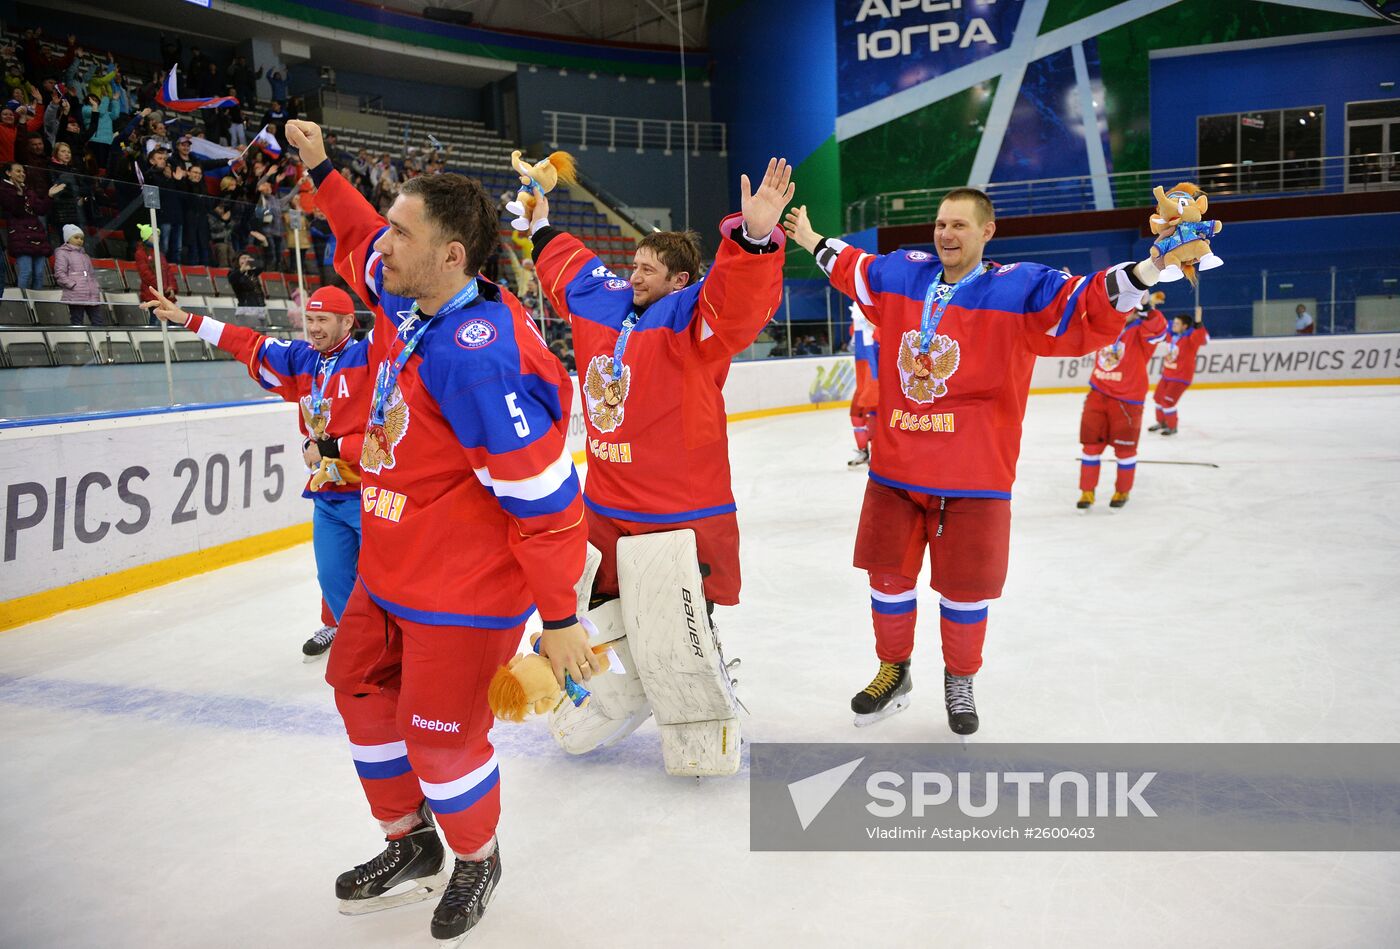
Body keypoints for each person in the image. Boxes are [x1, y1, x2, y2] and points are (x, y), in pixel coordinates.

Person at [285, 117, 594, 941]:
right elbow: (354, 234)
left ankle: (476, 853)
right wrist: (321, 168)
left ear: (451, 255)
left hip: (462, 596)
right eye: (390, 228)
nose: (382, 246)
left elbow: (548, 501)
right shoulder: (403, 293)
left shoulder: (479, 356)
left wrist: (559, 619)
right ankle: (411, 841)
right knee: (355, 688)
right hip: (390, 575)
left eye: (401, 233)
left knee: (442, 739)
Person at [783, 189, 1163, 735]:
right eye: (940, 224)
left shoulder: (1020, 287)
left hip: (975, 477)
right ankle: (894, 670)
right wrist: (810, 238)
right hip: (896, 470)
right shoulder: (906, 276)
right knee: (887, 578)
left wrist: (1150, 267)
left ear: (988, 232)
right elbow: (854, 268)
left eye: (959, 225)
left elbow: (1087, 301)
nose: (946, 234)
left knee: (966, 590)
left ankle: (959, 679)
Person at [143, 285, 369, 658]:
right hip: (326, 490)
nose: (312, 328)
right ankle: (342, 629)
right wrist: (186, 319)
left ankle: (387, 642)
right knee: (331, 574)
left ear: (348, 321)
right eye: (309, 319)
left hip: (370, 491)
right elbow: (245, 342)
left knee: (380, 577)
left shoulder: (369, 356)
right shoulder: (303, 357)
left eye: (322, 320)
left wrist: (331, 448)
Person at [1077, 292, 1167, 511]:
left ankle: (1123, 490)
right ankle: (1087, 491)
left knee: (1125, 451)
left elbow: (1159, 329)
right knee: (1090, 446)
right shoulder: (1103, 327)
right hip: (1098, 394)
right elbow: (1078, 323)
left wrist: (1147, 306)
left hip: (1127, 401)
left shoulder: (1141, 331)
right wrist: (1074, 299)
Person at [1150, 309, 1209, 436]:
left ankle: (1172, 427)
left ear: (1185, 326)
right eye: (1174, 323)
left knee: (1167, 402)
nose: (1174, 325)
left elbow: (1201, 338)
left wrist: (1198, 323)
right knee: (1158, 399)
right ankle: (1161, 423)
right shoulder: (1171, 335)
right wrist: (1151, 307)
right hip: (1167, 375)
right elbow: (1159, 326)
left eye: (1177, 324)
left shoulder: (1191, 339)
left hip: (1180, 377)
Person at [1, 161, 57, 289]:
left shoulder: (28, 190)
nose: (22, 174)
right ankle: (24, 303)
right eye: (18, 171)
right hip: (19, 236)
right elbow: (16, 210)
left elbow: (41, 210)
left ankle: (36, 303)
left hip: (37, 235)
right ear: (8, 173)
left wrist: (49, 196)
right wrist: (20, 195)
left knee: (39, 273)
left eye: (23, 171)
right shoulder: (4, 189)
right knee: (26, 272)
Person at [848, 301, 879, 468]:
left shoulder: (876, 302)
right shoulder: (858, 305)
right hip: (864, 368)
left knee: (874, 413)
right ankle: (864, 452)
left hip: (874, 369)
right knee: (857, 415)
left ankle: (877, 454)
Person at [53, 224, 103, 324]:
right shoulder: (62, 253)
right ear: (67, 238)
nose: (80, 240)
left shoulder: (85, 255)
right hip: (75, 294)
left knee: (98, 321)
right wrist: (72, 285)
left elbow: (92, 275)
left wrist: (96, 286)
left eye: (81, 238)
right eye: (76, 237)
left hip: (91, 294)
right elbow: (59, 273)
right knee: (77, 321)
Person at [134, 222, 178, 307]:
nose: (157, 238)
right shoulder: (140, 254)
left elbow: (168, 272)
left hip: (165, 296)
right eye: (154, 235)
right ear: (147, 237)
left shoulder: (159, 253)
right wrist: (165, 287)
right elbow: (146, 275)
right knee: (156, 320)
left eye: (158, 236)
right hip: (152, 296)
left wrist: (171, 287)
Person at [228, 252, 267, 326]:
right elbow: (231, 279)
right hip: (246, 310)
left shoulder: (252, 273)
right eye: (243, 258)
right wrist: (242, 269)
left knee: (262, 335)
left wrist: (254, 262)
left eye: (248, 258)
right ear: (238, 261)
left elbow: (262, 265)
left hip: (260, 308)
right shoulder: (234, 273)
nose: (246, 260)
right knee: (252, 334)